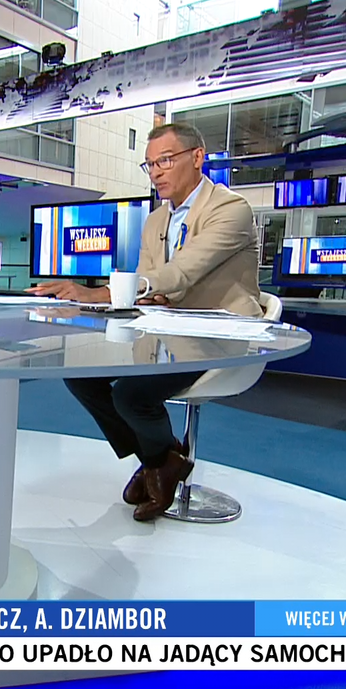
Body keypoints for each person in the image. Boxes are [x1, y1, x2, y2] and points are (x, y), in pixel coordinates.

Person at [27, 122, 261, 522]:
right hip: (169, 330)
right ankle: (160, 461)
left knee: (131, 394)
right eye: (149, 164)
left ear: (197, 158)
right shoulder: (155, 220)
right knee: (80, 375)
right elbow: (153, 284)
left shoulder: (230, 209)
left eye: (165, 161)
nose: (155, 172)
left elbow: (179, 273)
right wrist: (142, 294)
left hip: (221, 334)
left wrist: (102, 293)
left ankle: (158, 462)